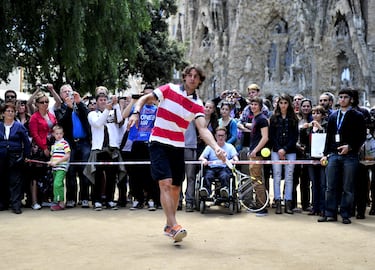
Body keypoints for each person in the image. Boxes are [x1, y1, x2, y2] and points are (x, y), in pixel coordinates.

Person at [127, 64, 227, 242]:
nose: (192, 78)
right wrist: (135, 113)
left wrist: (216, 147)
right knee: (164, 183)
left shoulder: (197, 104)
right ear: (185, 76)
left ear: (199, 81)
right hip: (158, 142)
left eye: (196, 76)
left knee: (175, 187)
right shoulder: (169, 89)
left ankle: (168, 224)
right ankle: (174, 225)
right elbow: (144, 99)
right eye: (190, 75)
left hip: (177, 146)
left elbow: (203, 129)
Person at [318, 88, 366, 224]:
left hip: (350, 156)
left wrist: (350, 147)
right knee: (330, 186)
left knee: (347, 188)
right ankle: (329, 213)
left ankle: (345, 214)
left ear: (351, 99)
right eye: (340, 97)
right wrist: (325, 154)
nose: (342, 99)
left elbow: (361, 136)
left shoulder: (358, 116)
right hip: (333, 155)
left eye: (345, 97)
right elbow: (329, 137)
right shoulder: (333, 116)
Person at [84, 90, 126, 211]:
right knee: (97, 176)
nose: (103, 102)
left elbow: (119, 120)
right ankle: (97, 200)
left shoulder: (112, 111)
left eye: (104, 99)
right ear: (96, 103)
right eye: (100, 100)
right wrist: (107, 109)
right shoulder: (92, 114)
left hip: (112, 148)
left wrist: (116, 104)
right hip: (99, 149)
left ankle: (109, 200)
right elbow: (98, 123)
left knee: (112, 176)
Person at [54, 84, 91, 208]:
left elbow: (87, 116)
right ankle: (71, 198)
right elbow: (61, 124)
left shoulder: (80, 106)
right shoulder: (60, 109)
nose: (67, 93)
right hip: (70, 143)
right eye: (64, 91)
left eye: (69, 91)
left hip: (84, 142)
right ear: (61, 95)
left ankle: (84, 197)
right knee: (70, 171)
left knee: (84, 171)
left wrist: (79, 102)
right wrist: (69, 108)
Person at [122, 86, 159, 211]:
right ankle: (137, 199)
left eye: (151, 95)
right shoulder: (136, 108)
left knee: (150, 173)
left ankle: (151, 199)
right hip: (136, 142)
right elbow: (124, 115)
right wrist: (133, 101)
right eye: (146, 94)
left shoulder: (156, 109)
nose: (148, 97)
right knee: (134, 173)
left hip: (151, 143)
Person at [269, 94, 299, 214]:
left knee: (289, 177)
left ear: (289, 104)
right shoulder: (273, 118)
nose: (283, 105)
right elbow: (271, 136)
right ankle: (277, 201)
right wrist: (279, 149)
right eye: (281, 103)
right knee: (276, 176)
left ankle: (288, 202)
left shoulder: (294, 118)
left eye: (285, 103)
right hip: (276, 150)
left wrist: (285, 149)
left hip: (290, 150)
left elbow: (294, 136)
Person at [0, 103, 31, 214]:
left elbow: (26, 143)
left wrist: (27, 156)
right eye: (7, 111)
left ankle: (16, 205)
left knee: (15, 181)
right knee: (2, 180)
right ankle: (2, 203)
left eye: (12, 111)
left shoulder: (19, 126)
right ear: (3, 113)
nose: (10, 113)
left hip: (15, 157)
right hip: (1, 156)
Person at [29, 91, 57, 210]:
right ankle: (34, 201)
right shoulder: (34, 117)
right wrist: (44, 148)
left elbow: (55, 129)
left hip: (51, 148)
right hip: (38, 149)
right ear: (37, 104)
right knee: (36, 176)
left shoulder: (51, 115)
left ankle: (45, 199)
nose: (45, 104)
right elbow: (34, 134)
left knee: (48, 175)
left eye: (47, 102)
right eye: (42, 102)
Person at [299, 105, 328, 216]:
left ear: (323, 115)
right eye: (313, 113)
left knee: (322, 184)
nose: (315, 115)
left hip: (322, 158)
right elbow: (303, 142)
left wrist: (320, 128)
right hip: (311, 158)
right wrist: (303, 129)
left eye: (318, 113)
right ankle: (314, 207)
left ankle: (322, 208)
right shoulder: (310, 126)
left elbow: (327, 138)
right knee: (314, 184)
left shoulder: (326, 125)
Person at [198, 127, 238, 198]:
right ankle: (206, 191)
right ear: (215, 136)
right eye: (219, 135)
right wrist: (204, 160)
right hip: (212, 168)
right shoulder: (210, 147)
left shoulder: (230, 147)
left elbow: (236, 158)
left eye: (222, 135)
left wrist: (233, 160)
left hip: (224, 168)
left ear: (225, 136)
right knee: (207, 176)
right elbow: (201, 157)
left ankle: (225, 190)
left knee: (225, 175)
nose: (220, 137)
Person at [247, 97, 269, 217]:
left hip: (258, 155)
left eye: (255, 104)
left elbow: (265, 137)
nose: (253, 106)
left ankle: (262, 207)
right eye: (252, 104)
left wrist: (255, 151)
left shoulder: (262, 119)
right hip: (253, 153)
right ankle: (257, 204)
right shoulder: (256, 118)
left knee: (257, 180)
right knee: (255, 180)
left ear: (260, 106)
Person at [293, 98, 313, 212]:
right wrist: (297, 146)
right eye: (303, 106)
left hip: (308, 153)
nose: (306, 108)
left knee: (305, 180)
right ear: (300, 107)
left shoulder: (313, 119)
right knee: (293, 179)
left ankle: (306, 204)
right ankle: (292, 204)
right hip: (295, 151)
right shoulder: (295, 119)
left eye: (308, 106)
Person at [48, 125, 71, 211]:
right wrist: (51, 161)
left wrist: (57, 162)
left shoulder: (64, 143)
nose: (59, 135)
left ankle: (60, 203)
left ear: (63, 134)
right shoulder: (54, 145)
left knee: (57, 183)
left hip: (62, 167)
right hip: (55, 168)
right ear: (53, 134)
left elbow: (67, 155)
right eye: (57, 133)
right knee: (57, 184)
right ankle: (57, 201)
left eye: (60, 133)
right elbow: (52, 156)